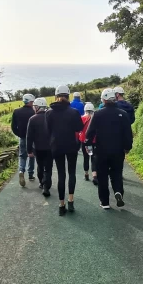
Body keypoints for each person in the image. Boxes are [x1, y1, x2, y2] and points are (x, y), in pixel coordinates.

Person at [84, 88, 133, 210]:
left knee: (102, 176)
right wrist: (127, 147)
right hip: (118, 150)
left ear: (104, 100)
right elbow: (128, 133)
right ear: (115, 98)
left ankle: (105, 202)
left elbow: (89, 133)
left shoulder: (98, 114)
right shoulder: (123, 114)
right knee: (116, 173)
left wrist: (88, 145)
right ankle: (118, 192)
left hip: (101, 150)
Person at [46, 85, 84, 216]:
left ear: (56, 96)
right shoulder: (73, 112)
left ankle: (61, 205)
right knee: (71, 172)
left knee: (61, 175)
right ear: (68, 96)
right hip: (71, 145)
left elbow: (48, 131)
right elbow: (79, 128)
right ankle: (71, 200)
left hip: (56, 146)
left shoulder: (49, 112)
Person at [26, 98, 52, 197]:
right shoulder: (50, 117)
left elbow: (29, 137)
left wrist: (29, 150)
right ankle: (46, 186)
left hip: (37, 148)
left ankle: (42, 183)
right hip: (50, 148)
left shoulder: (32, 119)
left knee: (40, 166)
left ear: (37, 107)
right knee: (48, 168)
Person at [11, 93, 36, 186]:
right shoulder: (34, 111)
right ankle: (30, 174)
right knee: (31, 155)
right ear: (30, 101)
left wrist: (19, 134)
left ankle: (21, 170)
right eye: (32, 101)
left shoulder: (16, 111)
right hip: (33, 138)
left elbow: (13, 126)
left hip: (22, 137)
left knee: (22, 155)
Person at [78, 102, 97, 185]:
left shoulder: (82, 118)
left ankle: (86, 174)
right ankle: (94, 175)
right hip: (93, 141)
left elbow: (79, 130)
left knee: (86, 157)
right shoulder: (95, 118)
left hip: (85, 141)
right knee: (93, 157)